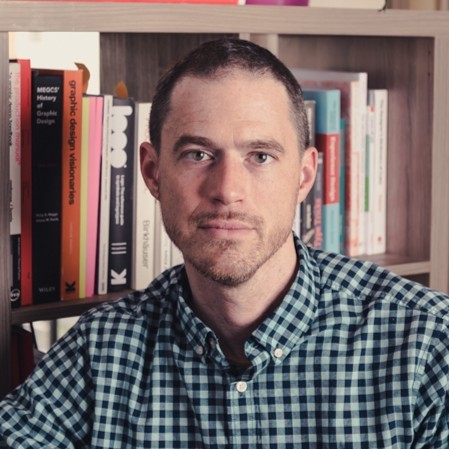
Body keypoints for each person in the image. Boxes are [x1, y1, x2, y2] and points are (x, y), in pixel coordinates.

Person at [1, 38, 449, 448]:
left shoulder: (428, 346)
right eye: (198, 154)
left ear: (304, 176)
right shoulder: (100, 351)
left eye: (260, 156)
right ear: (153, 173)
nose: (227, 190)